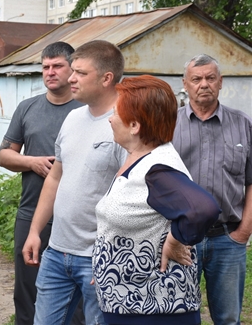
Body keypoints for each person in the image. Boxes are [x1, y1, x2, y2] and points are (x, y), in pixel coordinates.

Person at [93, 75, 220, 324]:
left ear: (134, 125)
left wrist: (175, 240)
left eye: (115, 113)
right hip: (128, 301)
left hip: (153, 310)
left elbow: (203, 208)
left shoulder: (157, 169)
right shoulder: (139, 158)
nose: (109, 119)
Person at [22, 40, 128, 325]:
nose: (71, 78)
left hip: (97, 257)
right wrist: (35, 231)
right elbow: (55, 177)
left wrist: (111, 257)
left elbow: (131, 197)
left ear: (106, 78)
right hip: (57, 251)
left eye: (80, 73)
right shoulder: (72, 118)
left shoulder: (125, 123)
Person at [0, 41, 85, 325]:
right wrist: (32, 162)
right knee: (27, 295)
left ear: (72, 69)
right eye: (45, 67)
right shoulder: (27, 108)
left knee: (78, 305)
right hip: (31, 215)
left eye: (57, 66)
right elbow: (4, 155)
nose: (50, 72)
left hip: (76, 218)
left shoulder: (86, 109)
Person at [172, 54, 252, 325]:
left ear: (220, 83)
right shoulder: (167, 124)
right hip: (178, 239)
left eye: (210, 78)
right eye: (196, 79)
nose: (203, 84)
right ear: (186, 84)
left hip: (227, 240)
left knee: (228, 319)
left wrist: (243, 233)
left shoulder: (243, 124)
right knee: (177, 316)